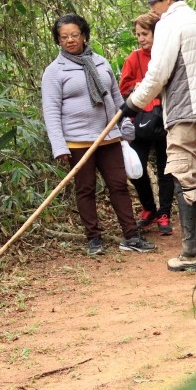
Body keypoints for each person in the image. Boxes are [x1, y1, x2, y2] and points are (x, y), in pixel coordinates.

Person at [121, 0, 196, 272]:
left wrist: (131, 104)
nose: (153, 10)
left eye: (153, 4)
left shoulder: (170, 23)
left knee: (184, 176)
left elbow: (157, 75)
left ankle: (192, 255)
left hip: (184, 111)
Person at [41, 13, 156, 256]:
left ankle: (131, 236)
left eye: (74, 35)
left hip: (108, 136)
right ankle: (94, 238)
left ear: (84, 35)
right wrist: (59, 147)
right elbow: (51, 111)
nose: (70, 40)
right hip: (77, 140)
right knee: (85, 188)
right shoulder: (55, 71)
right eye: (64, 37)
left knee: (119, 185)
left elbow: (115, 98)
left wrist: (124, 124)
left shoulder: (101, 62)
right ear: (58, 41)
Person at [119, 13, 174, 236]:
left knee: (166, 169)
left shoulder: (167, 55)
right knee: (136, 168)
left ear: (156, 33)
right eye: (138, 34)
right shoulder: (134, 58)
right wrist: (139, 86)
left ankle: (164, 213)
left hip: (165, 119)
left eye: (145, 33)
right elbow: (123, 87)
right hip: (140, 120)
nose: (141, 38)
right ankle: (148, 208)